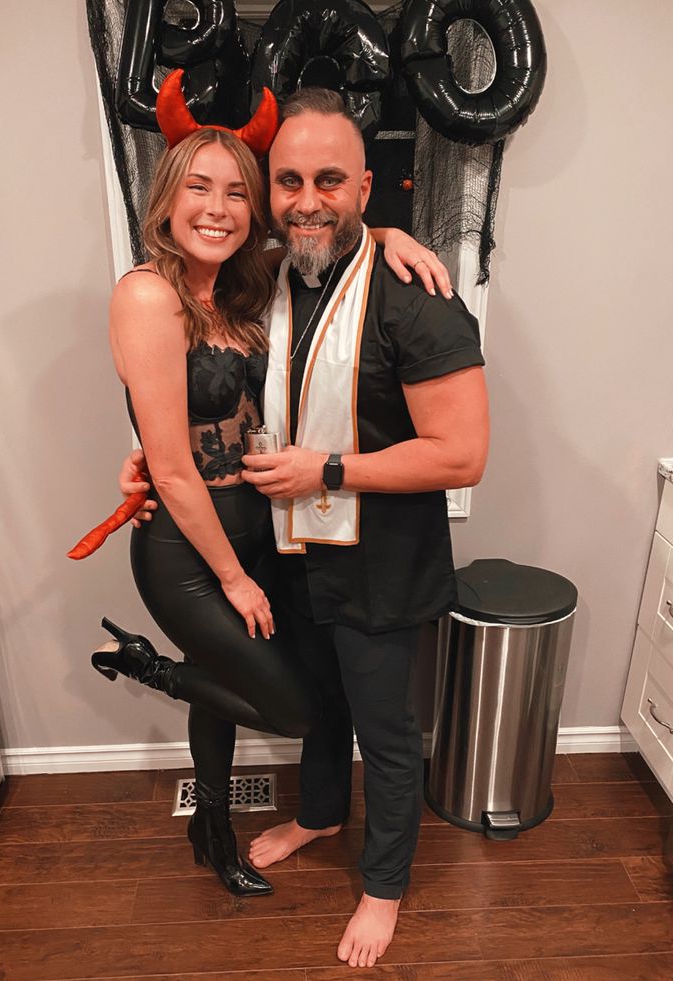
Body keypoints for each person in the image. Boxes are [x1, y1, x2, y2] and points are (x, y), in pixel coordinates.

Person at [120, 88, 488, 968]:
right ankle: (320, 814)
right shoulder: (275, 276)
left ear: (367, 186)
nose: (306, 200)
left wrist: (327, 470)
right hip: (289, 553)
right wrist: (150, 459)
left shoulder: (416, 298)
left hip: (380, 565)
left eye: (329, 179)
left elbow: (462, 455)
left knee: (384, 731)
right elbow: (205, 395)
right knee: (320, 712)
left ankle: (384, 887)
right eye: (288, 182)